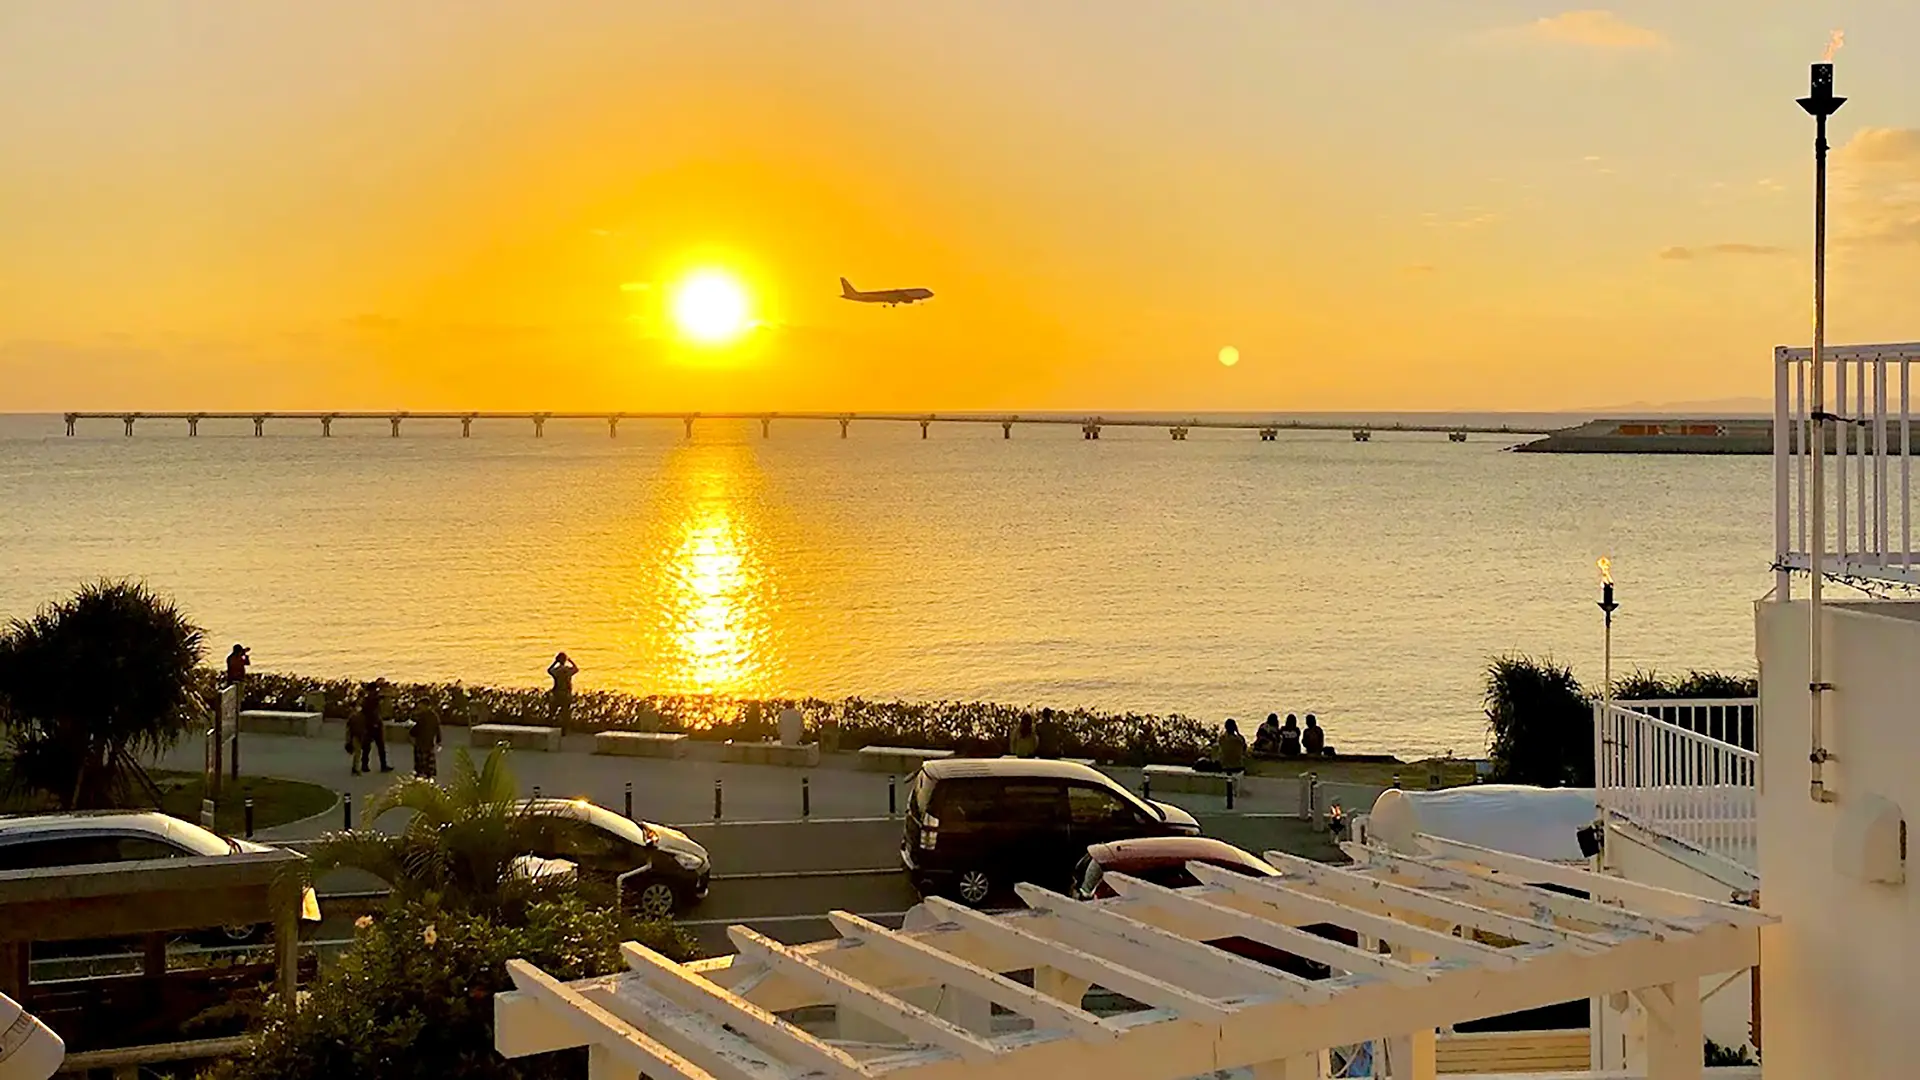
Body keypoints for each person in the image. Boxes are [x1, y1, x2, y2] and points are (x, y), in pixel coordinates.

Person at [355, 680, 392, 774]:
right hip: (372, 724)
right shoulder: (371, 700)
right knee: (372, 746)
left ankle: (366, 765)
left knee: (371, 747)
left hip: (371, 724)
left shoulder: (369, 699)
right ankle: (378, 765)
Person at [412, 700, 442, 778]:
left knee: (421, 759)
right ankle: (429, 773)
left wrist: (411, 734)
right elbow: (437, 728)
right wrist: (439, 739)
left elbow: (416, 728)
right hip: (429, 741)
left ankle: (420, 772)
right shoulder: (434, 716)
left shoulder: (422, 716)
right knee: (429, 758)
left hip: (421, 741)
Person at [548, 652, 579, 726]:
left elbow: (549, 670)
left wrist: (555, 662)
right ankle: (565, 726)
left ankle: (551, 724)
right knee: (565, 711)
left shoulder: (556, 670)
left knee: (553, 711)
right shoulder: (568, 670)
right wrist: (570, 661)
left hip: (557, 693)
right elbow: (576, 669)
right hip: (566, 693)